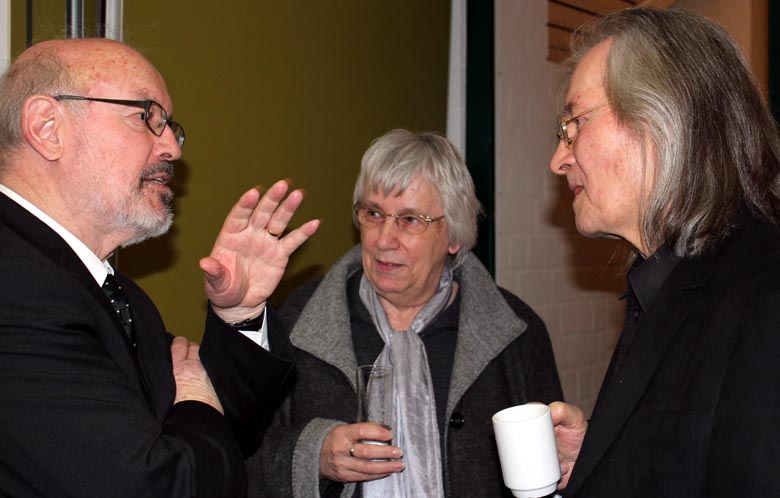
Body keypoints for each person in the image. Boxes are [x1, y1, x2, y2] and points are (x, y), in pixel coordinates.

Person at [0, 38, 319, 497]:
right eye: (145, 116)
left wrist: (240, 315)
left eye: (170, 125)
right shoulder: (15, 289)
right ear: (48, 127)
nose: (171, 146)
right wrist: (192, 398)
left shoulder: (119, 295)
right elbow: (163, 484)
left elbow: (224, 443)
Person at [247, 129, 563, 498]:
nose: (383, 239)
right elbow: (243, 460)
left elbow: (553, 469)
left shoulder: (515, 335)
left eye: (411, 220)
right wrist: (313, 456)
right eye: (374, 213)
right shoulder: (298, 322)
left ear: (454, 236)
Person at [547, 7, 780, 497]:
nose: (558, 158)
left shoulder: (764, 299)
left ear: (662, 117)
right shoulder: (667, 284)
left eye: (575, 123)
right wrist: (601, 458)